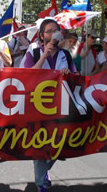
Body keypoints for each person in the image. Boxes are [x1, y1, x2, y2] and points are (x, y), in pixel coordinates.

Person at [23, 19, 76, 192]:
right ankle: (41, 184)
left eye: (56, 31)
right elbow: (27, 76)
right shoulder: (34, 50)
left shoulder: (66, 55)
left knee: (58, 146)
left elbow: (77, 78)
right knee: (40, 147)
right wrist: (44, 55)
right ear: (41, 35)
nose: (53, 34)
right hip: (38, 107)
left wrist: (68, 74)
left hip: (59, 107)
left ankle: (43, 173)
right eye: (49, 31)